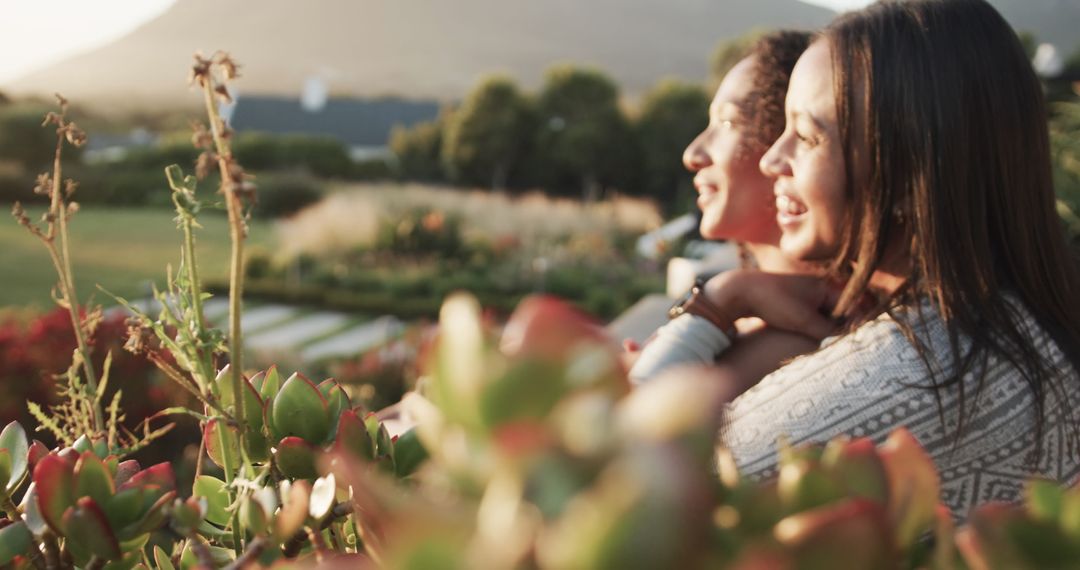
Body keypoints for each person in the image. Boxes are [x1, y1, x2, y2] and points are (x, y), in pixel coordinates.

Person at [644, 0, 1080, 519]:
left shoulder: (902, 380)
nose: (771, 159)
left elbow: (621, 485)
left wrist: (713, 305)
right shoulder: (1018, 324)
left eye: (806, 136)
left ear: (908, 170)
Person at [627, 30, 826, 386]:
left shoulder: (792, 346)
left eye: (728, 122)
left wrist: (721, 300)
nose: (693, 154)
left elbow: (627, 434)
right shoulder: (755, 324)